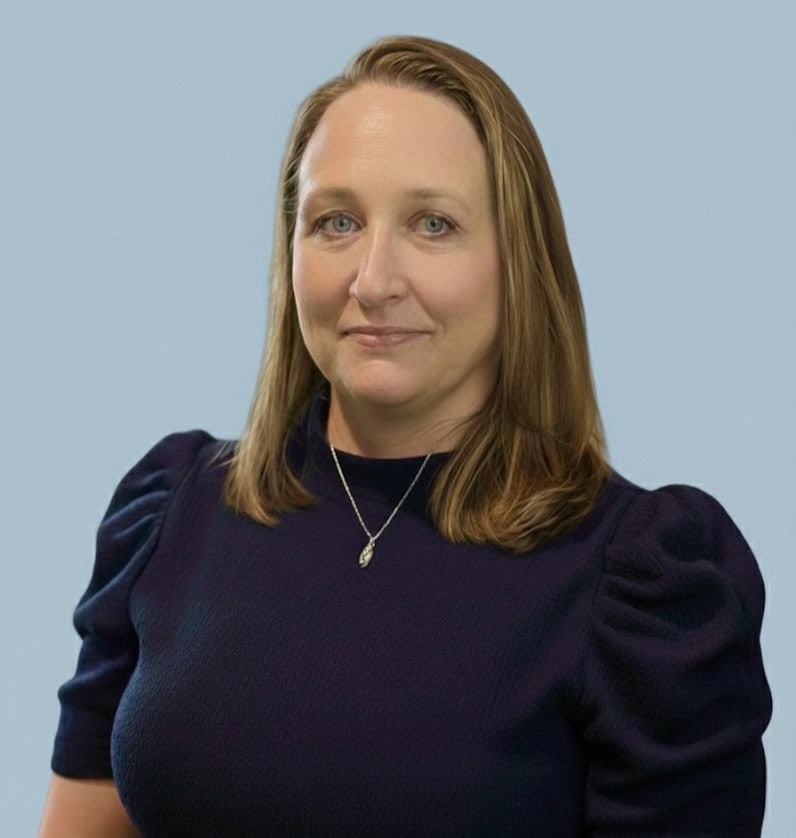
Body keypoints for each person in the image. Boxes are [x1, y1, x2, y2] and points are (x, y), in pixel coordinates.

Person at [40, 35, 771, 837]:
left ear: (516, 260)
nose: (374, 279)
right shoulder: (171, 509)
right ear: (290, 253)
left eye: (432, 224)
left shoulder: (643, 583)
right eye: (337, 222)